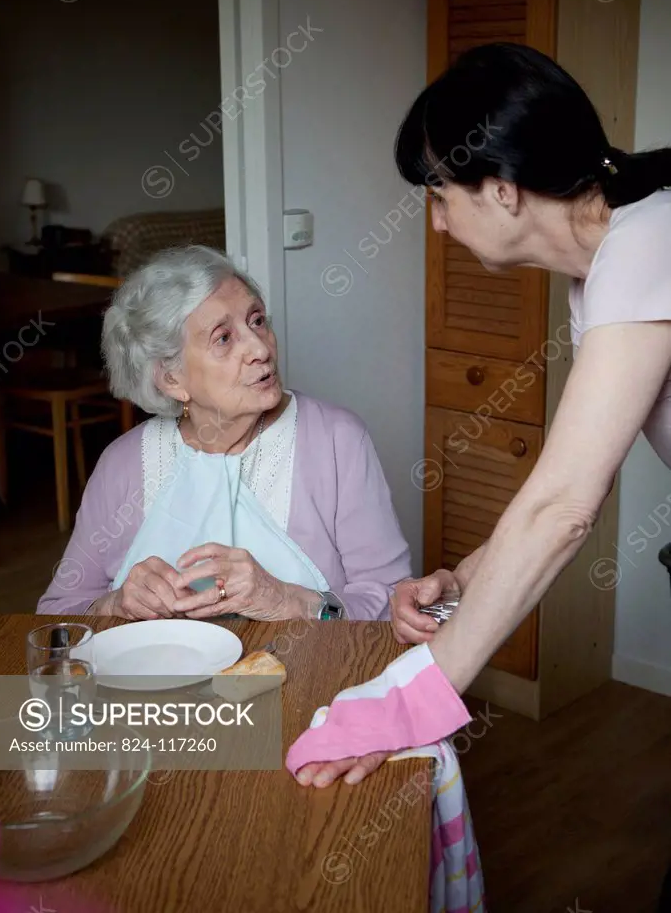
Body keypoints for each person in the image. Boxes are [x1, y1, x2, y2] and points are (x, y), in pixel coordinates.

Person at [287, 41, 671, 792]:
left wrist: (413, 700)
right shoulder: (601, 266)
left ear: (501, 190)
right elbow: (567, 476)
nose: (435, 223)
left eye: (438, 195)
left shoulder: (647, 243)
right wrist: (464, 580)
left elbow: (563, 510)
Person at [37, 246, 411, 620]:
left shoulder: (337, 442)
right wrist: (115, 604)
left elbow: (393, 606)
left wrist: (288, 601)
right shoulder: (123, 465)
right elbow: (58, 617)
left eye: (258, 320)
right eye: (223, 338)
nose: (259, 348)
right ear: (171, 378)